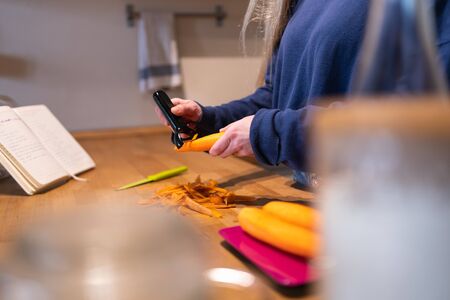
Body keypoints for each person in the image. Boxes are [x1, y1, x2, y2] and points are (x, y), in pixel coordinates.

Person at [156, 0, 450, 188]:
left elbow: (420, 110)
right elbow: (276, 95)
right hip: (312, 199)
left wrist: (274, 132)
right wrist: (209, 119)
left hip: (386, 206)